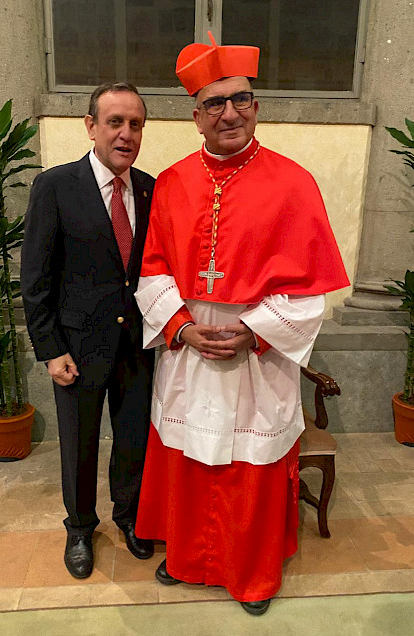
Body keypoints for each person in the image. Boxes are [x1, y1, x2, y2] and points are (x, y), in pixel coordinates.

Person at [133, 34, 349, 615]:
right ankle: (188, 559)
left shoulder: (294, 182)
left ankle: (250, 574)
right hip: (189, 345)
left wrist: (254, 332)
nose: (230, 113)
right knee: (190, 453)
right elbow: (152, 270)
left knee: (247, 465)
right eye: (214, 103)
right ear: (195, 115)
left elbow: (311, 292)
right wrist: (180, 327)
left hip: (259, 347)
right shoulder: (173, 182)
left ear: (256, 105)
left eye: (242, 99)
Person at [21, 82, 155, 579]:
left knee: (133, 439)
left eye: (135, 124)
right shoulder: (55, 185)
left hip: (138, 345)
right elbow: (35, 278)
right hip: (77, 348)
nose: (126, 133)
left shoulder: (149, 188)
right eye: (115, 122)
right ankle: (79, 528)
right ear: (91, 126)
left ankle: (130, 517)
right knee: (79, 443)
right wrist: (51, 349)